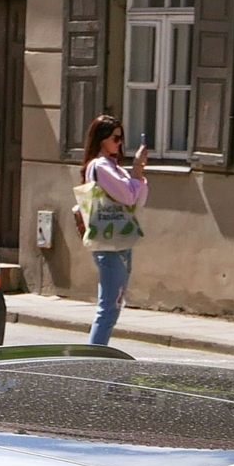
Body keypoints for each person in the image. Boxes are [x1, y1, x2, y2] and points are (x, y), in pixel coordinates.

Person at [73, 114, 147, 346]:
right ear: (102, 138)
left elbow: (137, 200)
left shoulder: (115, 168)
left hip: (120, 240)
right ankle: (93, 359)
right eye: (115, 137)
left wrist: (137, 173)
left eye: (121, 137)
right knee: (107, 309)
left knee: (114, 307)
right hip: (108, 243)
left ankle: (95, 356)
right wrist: (136, 170)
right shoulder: (100, 166)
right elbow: (128, 195)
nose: (119, 142)